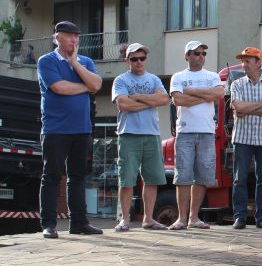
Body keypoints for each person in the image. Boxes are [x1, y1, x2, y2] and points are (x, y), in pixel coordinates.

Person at [37, 21, 104, 238]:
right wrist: (86, 87)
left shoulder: (85, 61)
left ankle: (79, 223)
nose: (74, 40)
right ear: (57, 38)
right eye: (69, 36)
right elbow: (59, 87)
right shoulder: (46, 61)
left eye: (77, 36)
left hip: (82, 129)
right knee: (51, 176)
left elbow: (97, 85)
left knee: (78, 177)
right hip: (55, 129)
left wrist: (74, 62)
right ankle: (48, 224)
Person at [111, 43, 170, 232]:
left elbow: (164, 99)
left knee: (152, 179)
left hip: (152, 134)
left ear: (146, 59)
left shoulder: (154, 79)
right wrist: (150, 100)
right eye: (134, 59)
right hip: (128, 134)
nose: (138, 62)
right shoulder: (121, 80)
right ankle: (125, 219)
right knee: (127, 180)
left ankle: (149, 219)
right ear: (127, 60)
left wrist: (136, 97)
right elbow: (123, 104)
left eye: (142, 58)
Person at [168, 40, 225, 230]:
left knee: (202, 176)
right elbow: (178, 100)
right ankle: (181, 219)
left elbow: (219, 94)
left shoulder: (212, 75)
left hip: (207, 132)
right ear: (187, 56)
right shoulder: (178, 76)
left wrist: (193, 92)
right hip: (185, 131)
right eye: (196, 53)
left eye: (203, 53)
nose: (201, 56)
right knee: (183, 176)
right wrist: (206, 95)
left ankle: (193, 217)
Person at [229, 47, 262, 230]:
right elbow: (239, 107)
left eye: (247, 61)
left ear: (258, 63)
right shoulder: (236, 84)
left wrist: (247, 108)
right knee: (239, 179)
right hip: (242, 138)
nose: (243, 65)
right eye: (242, 61)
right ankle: (239, 217)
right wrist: (261, 106)